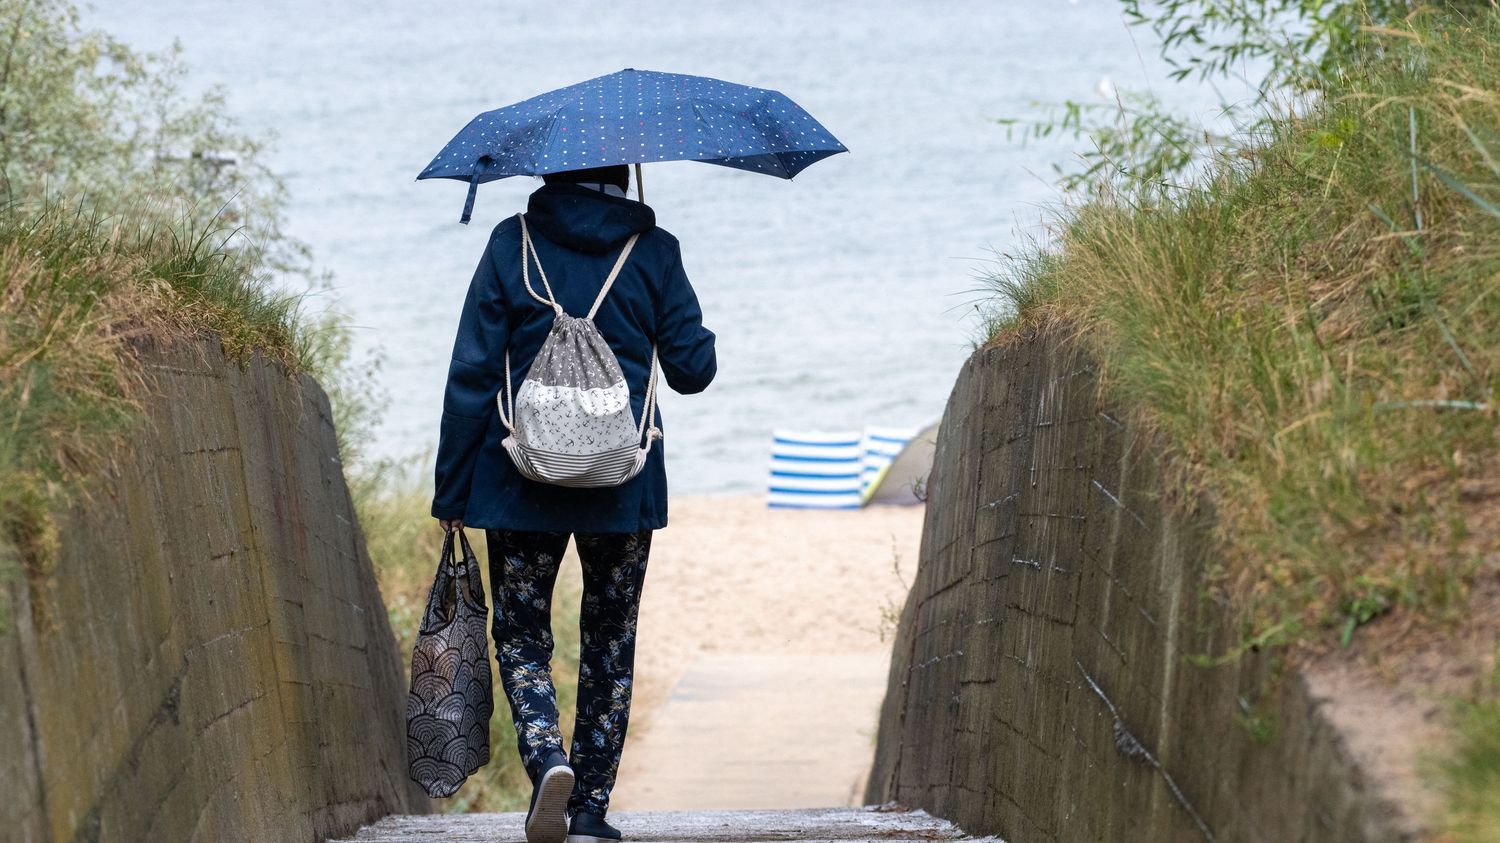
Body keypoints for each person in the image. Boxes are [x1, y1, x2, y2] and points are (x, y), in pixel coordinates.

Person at [431, 164, 716, 843]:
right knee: (610, 640)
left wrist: (451, 488)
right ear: (624, 173)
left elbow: (472, 369)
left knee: (523, 636)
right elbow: (693, 371)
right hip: (624, 482)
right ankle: (589, 807)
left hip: (519, 479)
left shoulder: (512, 243)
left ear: (551, 170)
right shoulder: (654, 250)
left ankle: (546, 759)